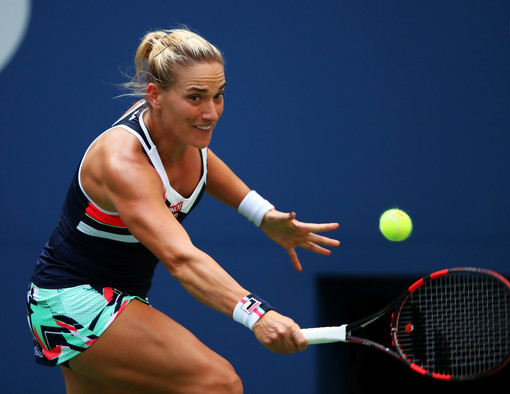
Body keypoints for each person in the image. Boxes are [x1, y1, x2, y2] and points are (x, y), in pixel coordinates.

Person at [26, 27, 340, 393]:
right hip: (74, 302)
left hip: (110, 297)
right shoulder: (123, 163)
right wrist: (258, 315)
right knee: (219, 384)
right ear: (155, 96)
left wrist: (263, 215)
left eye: (218, 96)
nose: (211, 113)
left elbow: (203, 164)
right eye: (195, 97)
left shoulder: (178, 128)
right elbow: (181, 258)